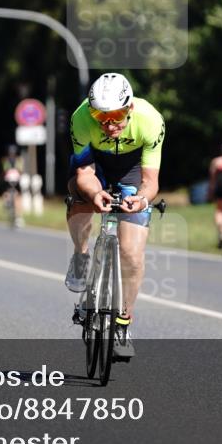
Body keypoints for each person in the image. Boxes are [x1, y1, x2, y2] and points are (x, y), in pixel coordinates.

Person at [64, 73, 165, 360]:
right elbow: (85, 173)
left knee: (132, 253)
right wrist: (95, 193)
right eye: (101, 116)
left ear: (129, 107)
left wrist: (141, 199)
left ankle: (122, 323)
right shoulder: (81, 118)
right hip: (95, 166)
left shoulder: (150, 120)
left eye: (117, 116)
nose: (109, 125)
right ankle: (81, 255)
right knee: (79, 196)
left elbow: (150, 181)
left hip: (132, 170)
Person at [0, 144, 25, 228]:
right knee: (17, 197)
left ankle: (7, 203)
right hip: (15, 180)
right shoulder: (18, 160)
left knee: (8, 193)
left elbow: (4, 170)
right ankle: (18, 217)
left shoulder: (6, 160)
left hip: (10, 180)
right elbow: (20, 170)